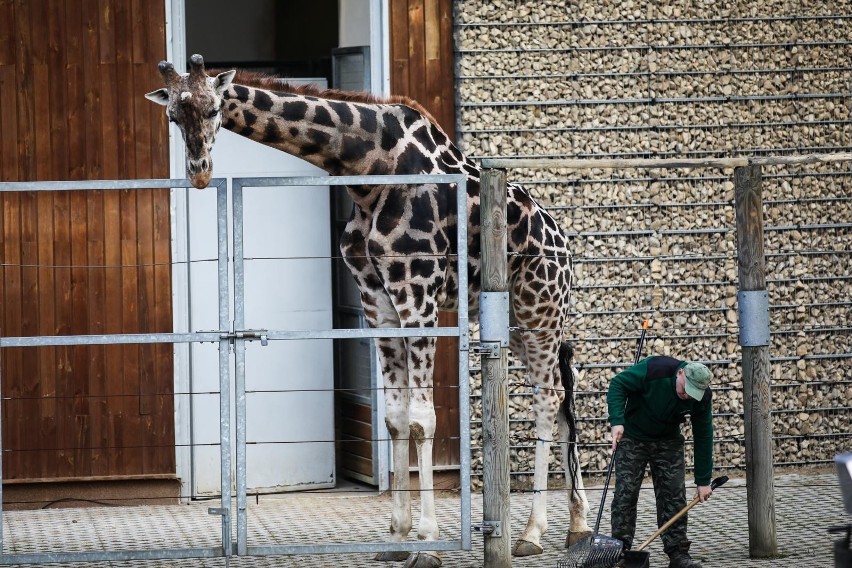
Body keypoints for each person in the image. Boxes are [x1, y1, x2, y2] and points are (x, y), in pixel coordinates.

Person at [607, 356, 714, 568]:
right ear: (680, 374)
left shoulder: (701, 397)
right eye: (685, 389)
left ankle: (678, 553)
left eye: (692, 393)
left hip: (668, 441)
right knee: (625, 494)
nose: (687, 396)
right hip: (633, 437)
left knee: (673, 496)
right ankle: (620, 549)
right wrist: (617, 421)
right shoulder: (655, 370)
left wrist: (703, 480)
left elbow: (704, 434)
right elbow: (617, 384)